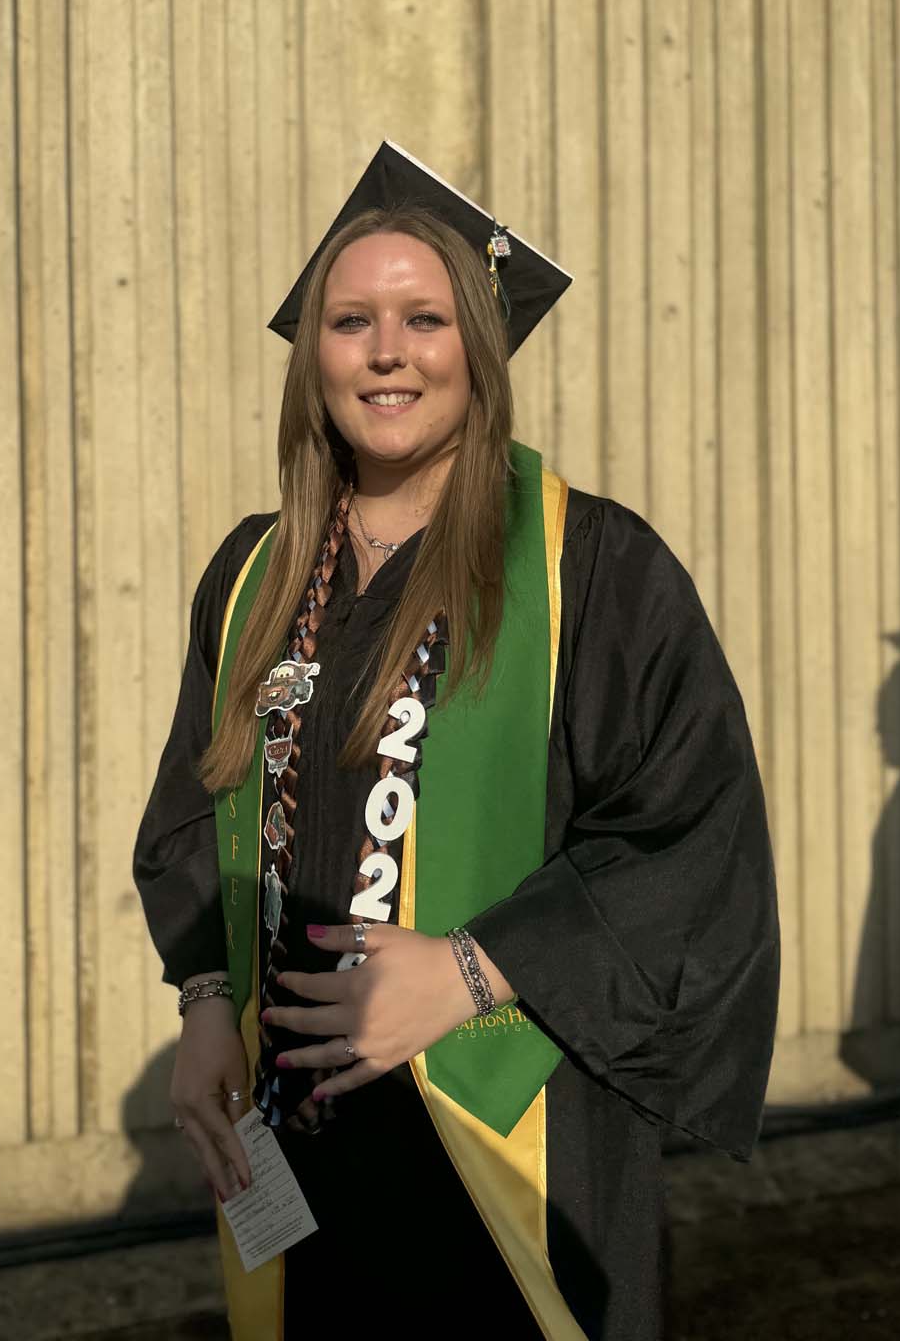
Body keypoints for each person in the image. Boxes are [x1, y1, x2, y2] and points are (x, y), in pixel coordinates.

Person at [134, 141, 780, 1340]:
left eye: (425, 317)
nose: (388, 351)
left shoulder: (592, 565)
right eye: (352, 320)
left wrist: (470, 968)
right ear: (311, 356)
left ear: (478, 351)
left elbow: (690, 830)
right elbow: (195, 799)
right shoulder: (252, 575)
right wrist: (208, 1003)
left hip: (509, 1136)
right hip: (305, 1140)